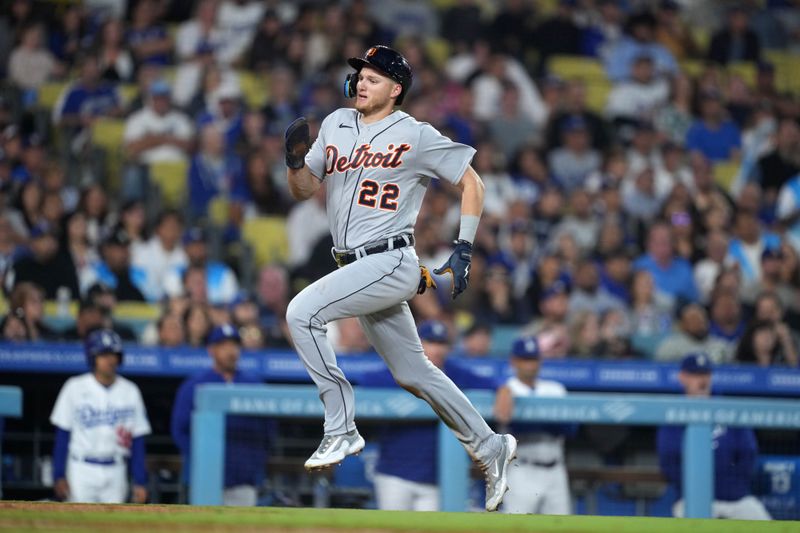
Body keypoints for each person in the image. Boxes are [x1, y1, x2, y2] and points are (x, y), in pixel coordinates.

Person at [283, 45, 517, 512]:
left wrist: (464, 247)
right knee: (414, 372)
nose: (362, 82)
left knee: (301, 313)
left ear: (396, 89)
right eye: (360, 75)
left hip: (391, 260)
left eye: (373, 76)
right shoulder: (335, 123)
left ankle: (340, 428)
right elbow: (305, 189)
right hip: (353, 266)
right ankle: (489, 443)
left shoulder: (415, 134)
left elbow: (473, 183)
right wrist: (293, 162)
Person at [361, 320, 499, 511]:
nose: (437, 349)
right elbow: (365, 383)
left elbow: (493, 385)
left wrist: (505, 390)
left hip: (435, 477)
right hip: (394, 472)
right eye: (430, 342)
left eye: (441, 343)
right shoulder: (399, 368)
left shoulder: (452, 372)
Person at [657, 353, 772, 520]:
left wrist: (730, 486)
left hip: (736, 499)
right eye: (696, 375)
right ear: (682, 377)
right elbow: (668, 460)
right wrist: (695, 489)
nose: (702, 380)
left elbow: (748, 453)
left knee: (766, 524)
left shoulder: (729, 409)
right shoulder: (673, 413)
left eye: (706, 375)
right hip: (690, 499)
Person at [171, 324, 272, 506]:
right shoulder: (195, 384)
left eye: (234, 345)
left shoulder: (254, 383)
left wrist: (254, 462)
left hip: (243, 477)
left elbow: (268, 429)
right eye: (224, 346)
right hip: (203, 477)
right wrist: (199, 458)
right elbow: (179, 430)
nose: (231, 351)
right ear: (211, 350)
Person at [49, 329, 151, 503]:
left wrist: (140, 480)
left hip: (116, 469)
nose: (110, 360)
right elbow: (62, 434)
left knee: (114, 527)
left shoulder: (131, 391)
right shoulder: (74, 387)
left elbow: (138, 440)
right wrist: (58, 474)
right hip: (81, 468)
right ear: (92, 357)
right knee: (77, 526)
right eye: (104, 355)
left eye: (114, 354)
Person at [493, 335, 575, 514]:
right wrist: (548, 423)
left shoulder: (556, 389)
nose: (530, 365)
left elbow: (570, 429)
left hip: (556, 470)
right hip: (521, 469)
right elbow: (513, 427)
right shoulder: (506, 388)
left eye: (533, 359)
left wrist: (533, 421)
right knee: (517, 527)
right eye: (525, 359)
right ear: (514, 361)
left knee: (561, 527)